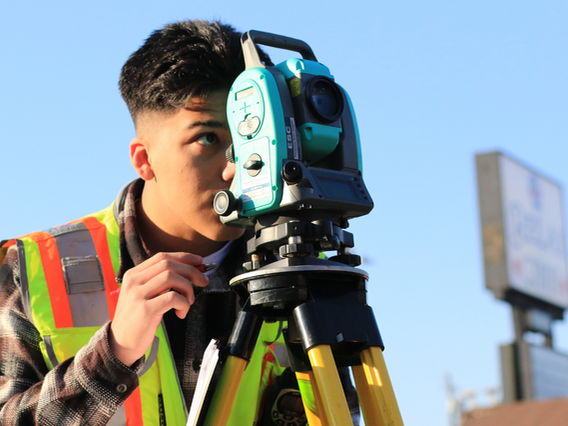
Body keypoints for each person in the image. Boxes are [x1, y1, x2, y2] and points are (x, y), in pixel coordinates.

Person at [0, 19, 359, 426]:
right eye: (207, 139)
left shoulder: (302, 270)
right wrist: (113, 354)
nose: (236, 169)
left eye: (249, 139)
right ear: (144, 159)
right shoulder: (31, 268)